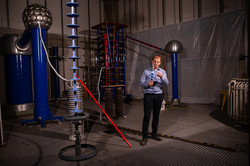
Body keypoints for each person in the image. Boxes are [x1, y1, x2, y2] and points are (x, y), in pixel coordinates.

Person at [139, 55, 169, 146]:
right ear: (152, 61)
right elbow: (141, 83)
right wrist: (147, 84)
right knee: (147, 116)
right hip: (148, 95)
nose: (156, 63)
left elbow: (167, 83)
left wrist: (162, 77)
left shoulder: (162, 72)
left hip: (158, 96)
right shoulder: (146, 71)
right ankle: (144, 136)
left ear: (160, 63)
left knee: (156, 115)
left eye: (158, 62)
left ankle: (154, 133)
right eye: (154, 61)